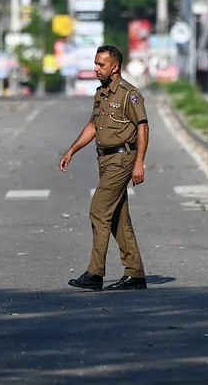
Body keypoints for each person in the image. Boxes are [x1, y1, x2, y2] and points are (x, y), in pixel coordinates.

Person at [59, 45, 149, 291]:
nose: (96, 69)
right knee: (118, 217)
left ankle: (95, 273)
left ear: (115, 67)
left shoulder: (129, 94)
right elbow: (92, 125)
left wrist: (139, 163)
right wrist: (71, 150)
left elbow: (143, 127)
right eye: (95, 64)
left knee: (98, 211)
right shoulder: (101, 94)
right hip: (105, 160)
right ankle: (135, 274)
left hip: (122, 159)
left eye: (101, 65)